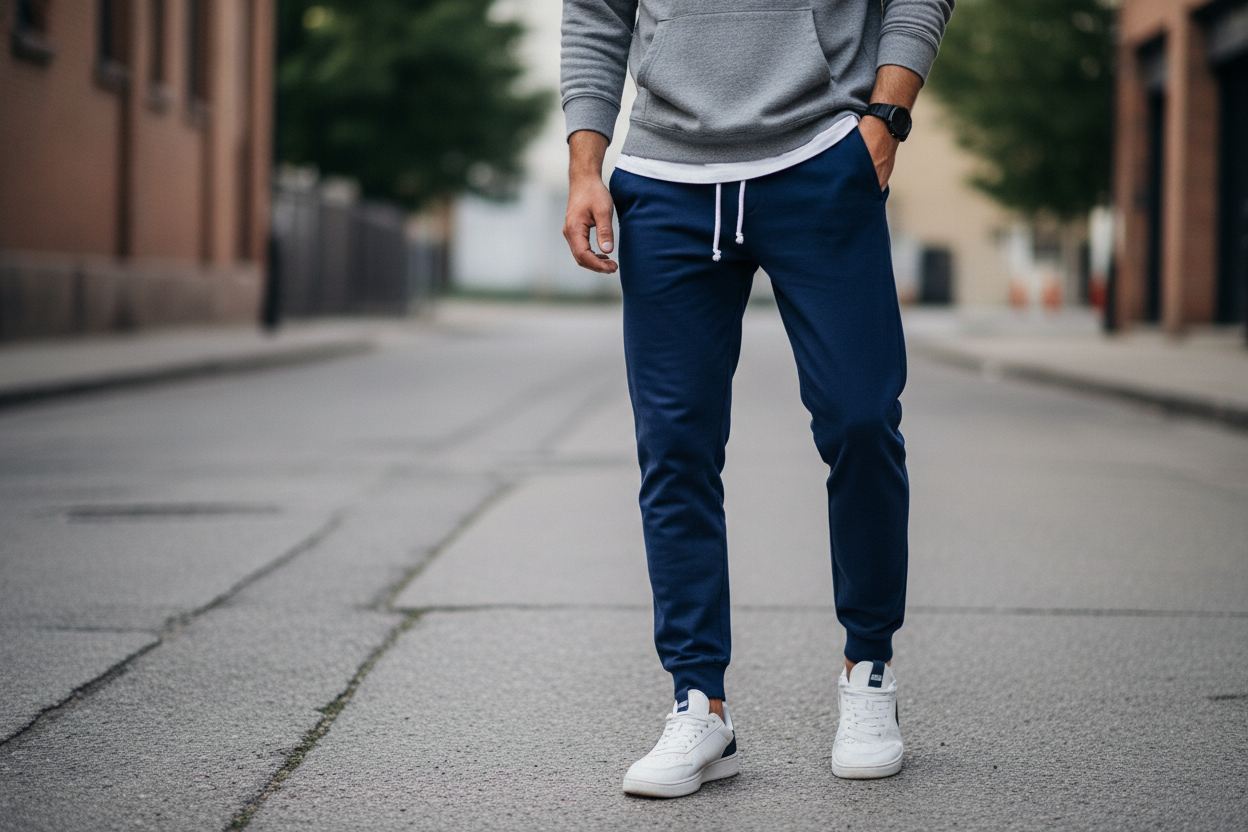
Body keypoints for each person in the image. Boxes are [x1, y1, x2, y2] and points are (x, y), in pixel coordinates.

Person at [560, 0, 954, 798]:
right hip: (667, 178)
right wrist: (583, 167)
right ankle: (698, 703)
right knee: (676, 448)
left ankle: (868, 669)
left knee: (862, 417)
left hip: (820, 153)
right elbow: (595, 13)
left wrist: (887, 115)